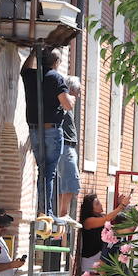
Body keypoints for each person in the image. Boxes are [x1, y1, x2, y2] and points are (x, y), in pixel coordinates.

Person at [22, 48, 74, 215]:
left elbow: (24, 69)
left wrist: (33, 53)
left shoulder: (31, 75)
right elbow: (67, 104)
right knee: (49, 172)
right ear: (56, 62)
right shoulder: (56, 77)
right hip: (51, 130)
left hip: (34, 129)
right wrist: (71, 98)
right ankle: (46, 211)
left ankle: (42, 210)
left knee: (42, 170)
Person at [57, 75, 84, 219]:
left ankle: (62, 213)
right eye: (78, 91)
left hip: (69, 145)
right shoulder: (64, 103)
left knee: (66, 181)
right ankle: (63, 213)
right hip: (65, 145)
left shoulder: (69, 105)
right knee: (71, 179)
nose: (78, 96)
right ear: (71, 89)